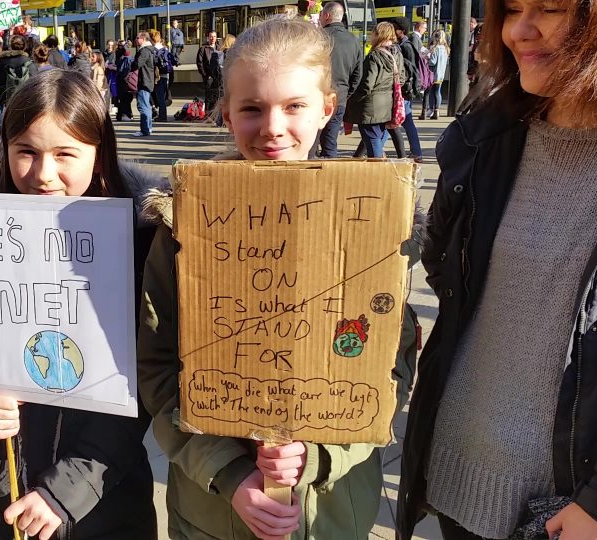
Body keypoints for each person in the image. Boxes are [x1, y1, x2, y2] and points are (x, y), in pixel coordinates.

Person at [139, 15, 417, 540]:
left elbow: (392, 369)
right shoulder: (184, 228)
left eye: (294, 106)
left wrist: (322, 451)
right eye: (251, 108)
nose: (271, 127)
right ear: (225, 114)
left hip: (332, 510)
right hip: (216, 511)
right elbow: (156, 371)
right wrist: (230, 471)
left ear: (327, 110)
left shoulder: (379, 230)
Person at [398, 0, 597, 537]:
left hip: (569, 506)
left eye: (551, 9)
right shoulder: (484, 137)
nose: (520, 30)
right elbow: (448, 273)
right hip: (453, 468)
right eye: (512, 8)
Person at [0, 69, 161, 540]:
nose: (42, 175)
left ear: (99, 157)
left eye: (64, 155)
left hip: (100, 499)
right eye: (27, 153)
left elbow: (142, 389)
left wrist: (69, 490)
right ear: (6, 150)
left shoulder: (138, 246)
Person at [345, 22, 405, 158]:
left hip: (371, 106)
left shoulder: (375, 56)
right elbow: (401, 78)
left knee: (372, 139)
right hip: (387, 105)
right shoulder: (397, 54)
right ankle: (361, 159)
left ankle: (378, 169)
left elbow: (367, 84)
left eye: (373, 33)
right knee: (376, 136)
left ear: (379, 35)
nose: (371, 36)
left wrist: (352, 98)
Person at [318, 1, 363, 158]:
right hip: (340, 98)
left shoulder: (318, 38)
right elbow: (358, 75)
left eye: (321, 14)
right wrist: (345, 93)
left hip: (317, 95)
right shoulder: (353, 40)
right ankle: (330, 174)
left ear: (327, 16)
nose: (320, 18)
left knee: (312, 140)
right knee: (330, 139)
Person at [392, 17, 423, 161]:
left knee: (394, 121)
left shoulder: (406, 46)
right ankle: (416, 152)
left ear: (401, 31)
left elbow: (410, 70)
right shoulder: (404, 45)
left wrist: (404, 88)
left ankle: (374, 150)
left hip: (404, 91)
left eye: (394, 27)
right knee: (405, 121)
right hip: (405, 91)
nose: (392, 30)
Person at [0, 35, 33, 109]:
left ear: (11, 46)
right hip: (26, 101)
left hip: (8, 102)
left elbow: (0, 84)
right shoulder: (29, 62)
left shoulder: (3, 62)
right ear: (24, 47)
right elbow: (34, 84)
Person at [133, 32, 155, 137]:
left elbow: (137, 64)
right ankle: (148, 128)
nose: (136, 40)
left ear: (143, 39)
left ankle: (145, 130)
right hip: (148, 81)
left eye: (137, 38)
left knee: (143, 106)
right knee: (147, 106)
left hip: (144, 81)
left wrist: (131, 63)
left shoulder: (145, 51)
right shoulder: (149, 50)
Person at [425, 30, 449, 120]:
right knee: (438, 92)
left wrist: (427, 57)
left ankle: (431, 109)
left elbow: (432, 62)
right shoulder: (446, 48)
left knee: (431, 92)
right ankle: (437, 110)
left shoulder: (435, 48)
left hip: (433, 73)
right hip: (441, 73)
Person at [150, 30, 171, 122]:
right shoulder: (165, 48)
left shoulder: (154, 50)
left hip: (157, 76)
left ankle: (162, 116)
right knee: (161, 96)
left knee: (159, 97)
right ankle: (162, 115)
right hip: (165, 75)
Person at [115, 44, 134, 122]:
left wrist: (115, 68)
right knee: (127, 99)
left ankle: (124, 114)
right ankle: (127, 114)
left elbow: (121, 71)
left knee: (123, 99)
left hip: (123, 82)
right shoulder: (131, 58)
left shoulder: (125, 59)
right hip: (128, 82)